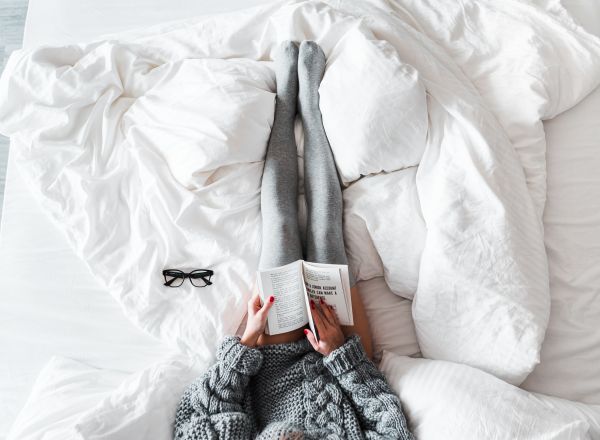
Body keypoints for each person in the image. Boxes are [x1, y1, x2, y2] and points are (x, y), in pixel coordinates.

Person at [173, 40, 414, 440]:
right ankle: (313, 111)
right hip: (342, 360)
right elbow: (391, 429)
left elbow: (198, 420)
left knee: (282, 229)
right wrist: (341, 356)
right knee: (324, 230)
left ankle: (287, 104)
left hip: (272, 359)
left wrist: (245, 345)